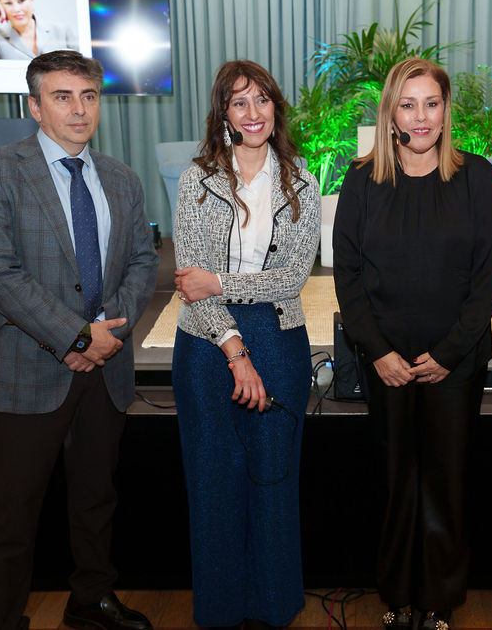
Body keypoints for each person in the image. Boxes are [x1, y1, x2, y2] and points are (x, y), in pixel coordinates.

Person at [0, 49, 158, 630]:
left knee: (96, 499)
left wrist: (106, 335)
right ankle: (2, 620)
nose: (79, 110)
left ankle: (90, 601)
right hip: (28, 368)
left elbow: (142, 262)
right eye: (62, 97)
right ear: (35, 106)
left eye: (89, 96)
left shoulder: (122, 178)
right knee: (12, 513)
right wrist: (77, 338)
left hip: (107, 367)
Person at [332, 57, 492, 630]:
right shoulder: (361, 179)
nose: (421, 116)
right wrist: (379, 352)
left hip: (455, 360)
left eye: (431, 103)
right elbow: (347, 277)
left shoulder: (476, 176)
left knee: (445, 480)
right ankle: (398, 595)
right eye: (408, 105)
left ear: (446, 110)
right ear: (391, 113)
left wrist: (451, 353)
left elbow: (490, 275)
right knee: (395, 480)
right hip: (385, 361)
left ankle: (439, 599)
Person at [171, 60, 320, 630]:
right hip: (206, 343)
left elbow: (291, 278)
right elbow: (191, 282)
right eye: (239, 102)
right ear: (224, 114)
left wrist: (219, 282)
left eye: (262, 100)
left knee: (274, 476)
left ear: (275, 107)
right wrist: (234, 349)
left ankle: (274, 604)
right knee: (213, 480)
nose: (253, 112)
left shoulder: (303, 181)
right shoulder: (197, 180)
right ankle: (220, 608)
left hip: (279, 340)